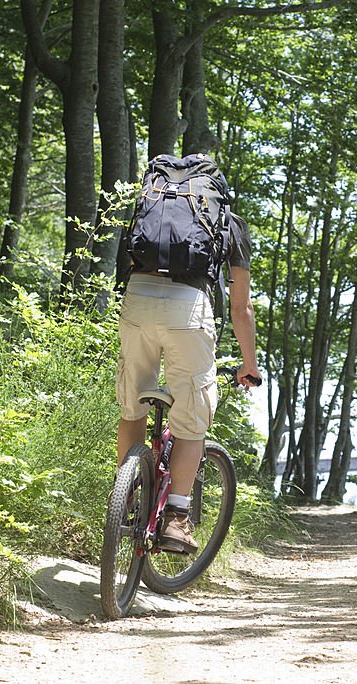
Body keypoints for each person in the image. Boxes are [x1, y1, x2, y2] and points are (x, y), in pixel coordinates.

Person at [115, 212, 260, 555]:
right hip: (188, 308)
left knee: (132, 405)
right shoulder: (227, 221)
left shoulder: (152, 206)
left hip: (137, 300)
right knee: (192, 420)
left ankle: (124, 496)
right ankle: (177, 517)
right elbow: (242, 309)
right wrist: (249, 364)